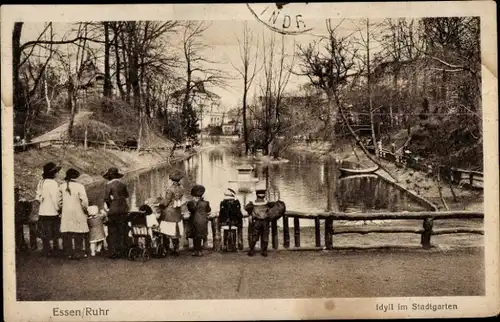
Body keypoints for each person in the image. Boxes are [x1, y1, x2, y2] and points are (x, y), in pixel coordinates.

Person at [60, 168, 90, 260]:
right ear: (76, 177)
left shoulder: (61, 186)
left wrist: (61, 209)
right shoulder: (80, 186)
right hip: (78, 212)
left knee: (67, 232)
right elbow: (84, 201)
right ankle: (78, 252)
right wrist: (85, 210)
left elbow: (59, 201)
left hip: (66, 213)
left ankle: (68, 253)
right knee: (78, 232)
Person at [36, 162, 63, 257]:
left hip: (43, 211)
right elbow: (56, 199)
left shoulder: (41, 182)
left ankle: (46, 250)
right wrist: (59, 209)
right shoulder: (53, 184)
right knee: (55, 232)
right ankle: (56, 249)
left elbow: (38, 197)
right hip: (52, 211)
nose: (57, 173)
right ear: (53, 173)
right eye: (56, 172)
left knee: (45, 232)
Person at [103, 167, 130, 259]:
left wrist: (110, 205)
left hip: (113, 210)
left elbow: (106, 198)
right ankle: (124, 251)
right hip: (123, 209)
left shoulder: (108, 185)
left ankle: (114, 252)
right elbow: (126, 196)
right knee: (123, 230)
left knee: (113, 231)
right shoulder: (123, 184)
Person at [158, 170, 185, 256]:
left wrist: (159, 203)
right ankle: (176, 249)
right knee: (175, 232)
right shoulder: (182, 188)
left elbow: (166, 203)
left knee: (165, 232)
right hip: (177, 212)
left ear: (171, 180)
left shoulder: (170, 189)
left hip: (169, 213)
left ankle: (166, 249)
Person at [245, 187, 271, 257]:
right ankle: (264, 251)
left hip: (257, 221)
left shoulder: (253, 203)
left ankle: (252, 250)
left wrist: (250, 214)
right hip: (265, 221)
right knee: (265, 236)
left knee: (255, 236)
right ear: (264, 196)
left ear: (257, 195)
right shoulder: (267, 203)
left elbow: (246, 208)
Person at [186, 184, 211, 257]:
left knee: (196, 236)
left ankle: (196, 251)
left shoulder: (191, 203)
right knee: (200, 236)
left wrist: (195, 203)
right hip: (203, 221)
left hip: (194, 221)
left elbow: (192, 210)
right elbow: (209, 210)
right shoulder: (206, 203)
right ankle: (199, 251)